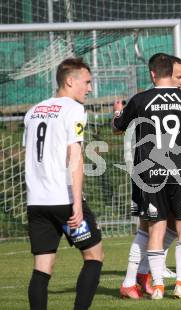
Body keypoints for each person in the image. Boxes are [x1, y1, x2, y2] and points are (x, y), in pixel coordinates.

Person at [113, 53, 181, 299]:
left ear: (152, 73)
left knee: (155, 228)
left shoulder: (140, 99)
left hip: (150, 173)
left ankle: (156, 286)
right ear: (172, 73)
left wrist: (117, 115)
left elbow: (117, 127)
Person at [24, 58, 104, 310]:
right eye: (87, 82)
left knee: (42, 267)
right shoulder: (73, 109)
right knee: (94, 256)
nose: (90, 88)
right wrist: (77, 203)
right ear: (70, 80)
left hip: (36, 202)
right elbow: (75, 157)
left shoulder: (33, 111)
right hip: (64, 200)